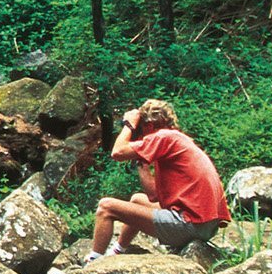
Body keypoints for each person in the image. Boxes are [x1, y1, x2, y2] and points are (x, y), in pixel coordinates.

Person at [86, 99, 227, 261]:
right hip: (205, 226)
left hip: (191, 224)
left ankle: (93, 263)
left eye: (140, 131)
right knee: (137, 200)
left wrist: (129, 125)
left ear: (149, 126)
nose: (139, 137)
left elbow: (117, 152)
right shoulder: (177, 140)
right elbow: (153, 196)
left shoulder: (163, 137)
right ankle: (117, 251)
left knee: (106, 207)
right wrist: (142, 162)